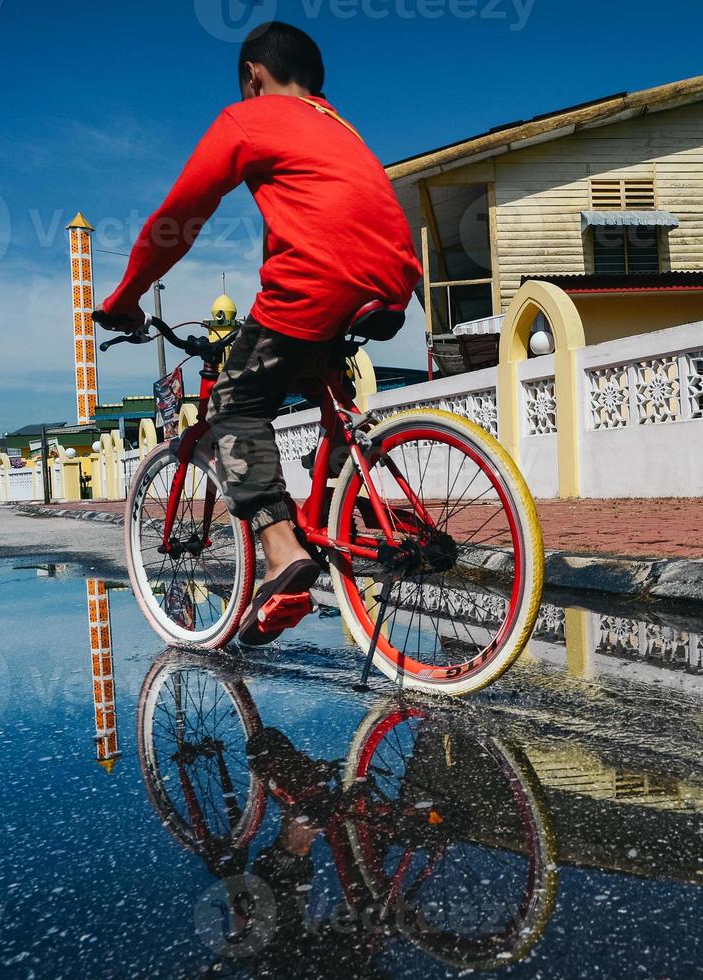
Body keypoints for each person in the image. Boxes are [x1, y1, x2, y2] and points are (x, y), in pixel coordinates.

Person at [95, 22, 421, 637]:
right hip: (392, 279)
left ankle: (282, 549)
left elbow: (178, 217)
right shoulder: (342, 128)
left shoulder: (251, 117)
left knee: (234, 405)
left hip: (317, 283)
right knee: (320, 389)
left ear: (253, 76)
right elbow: (323, 220)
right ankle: (338, 526)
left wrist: (127, 296)